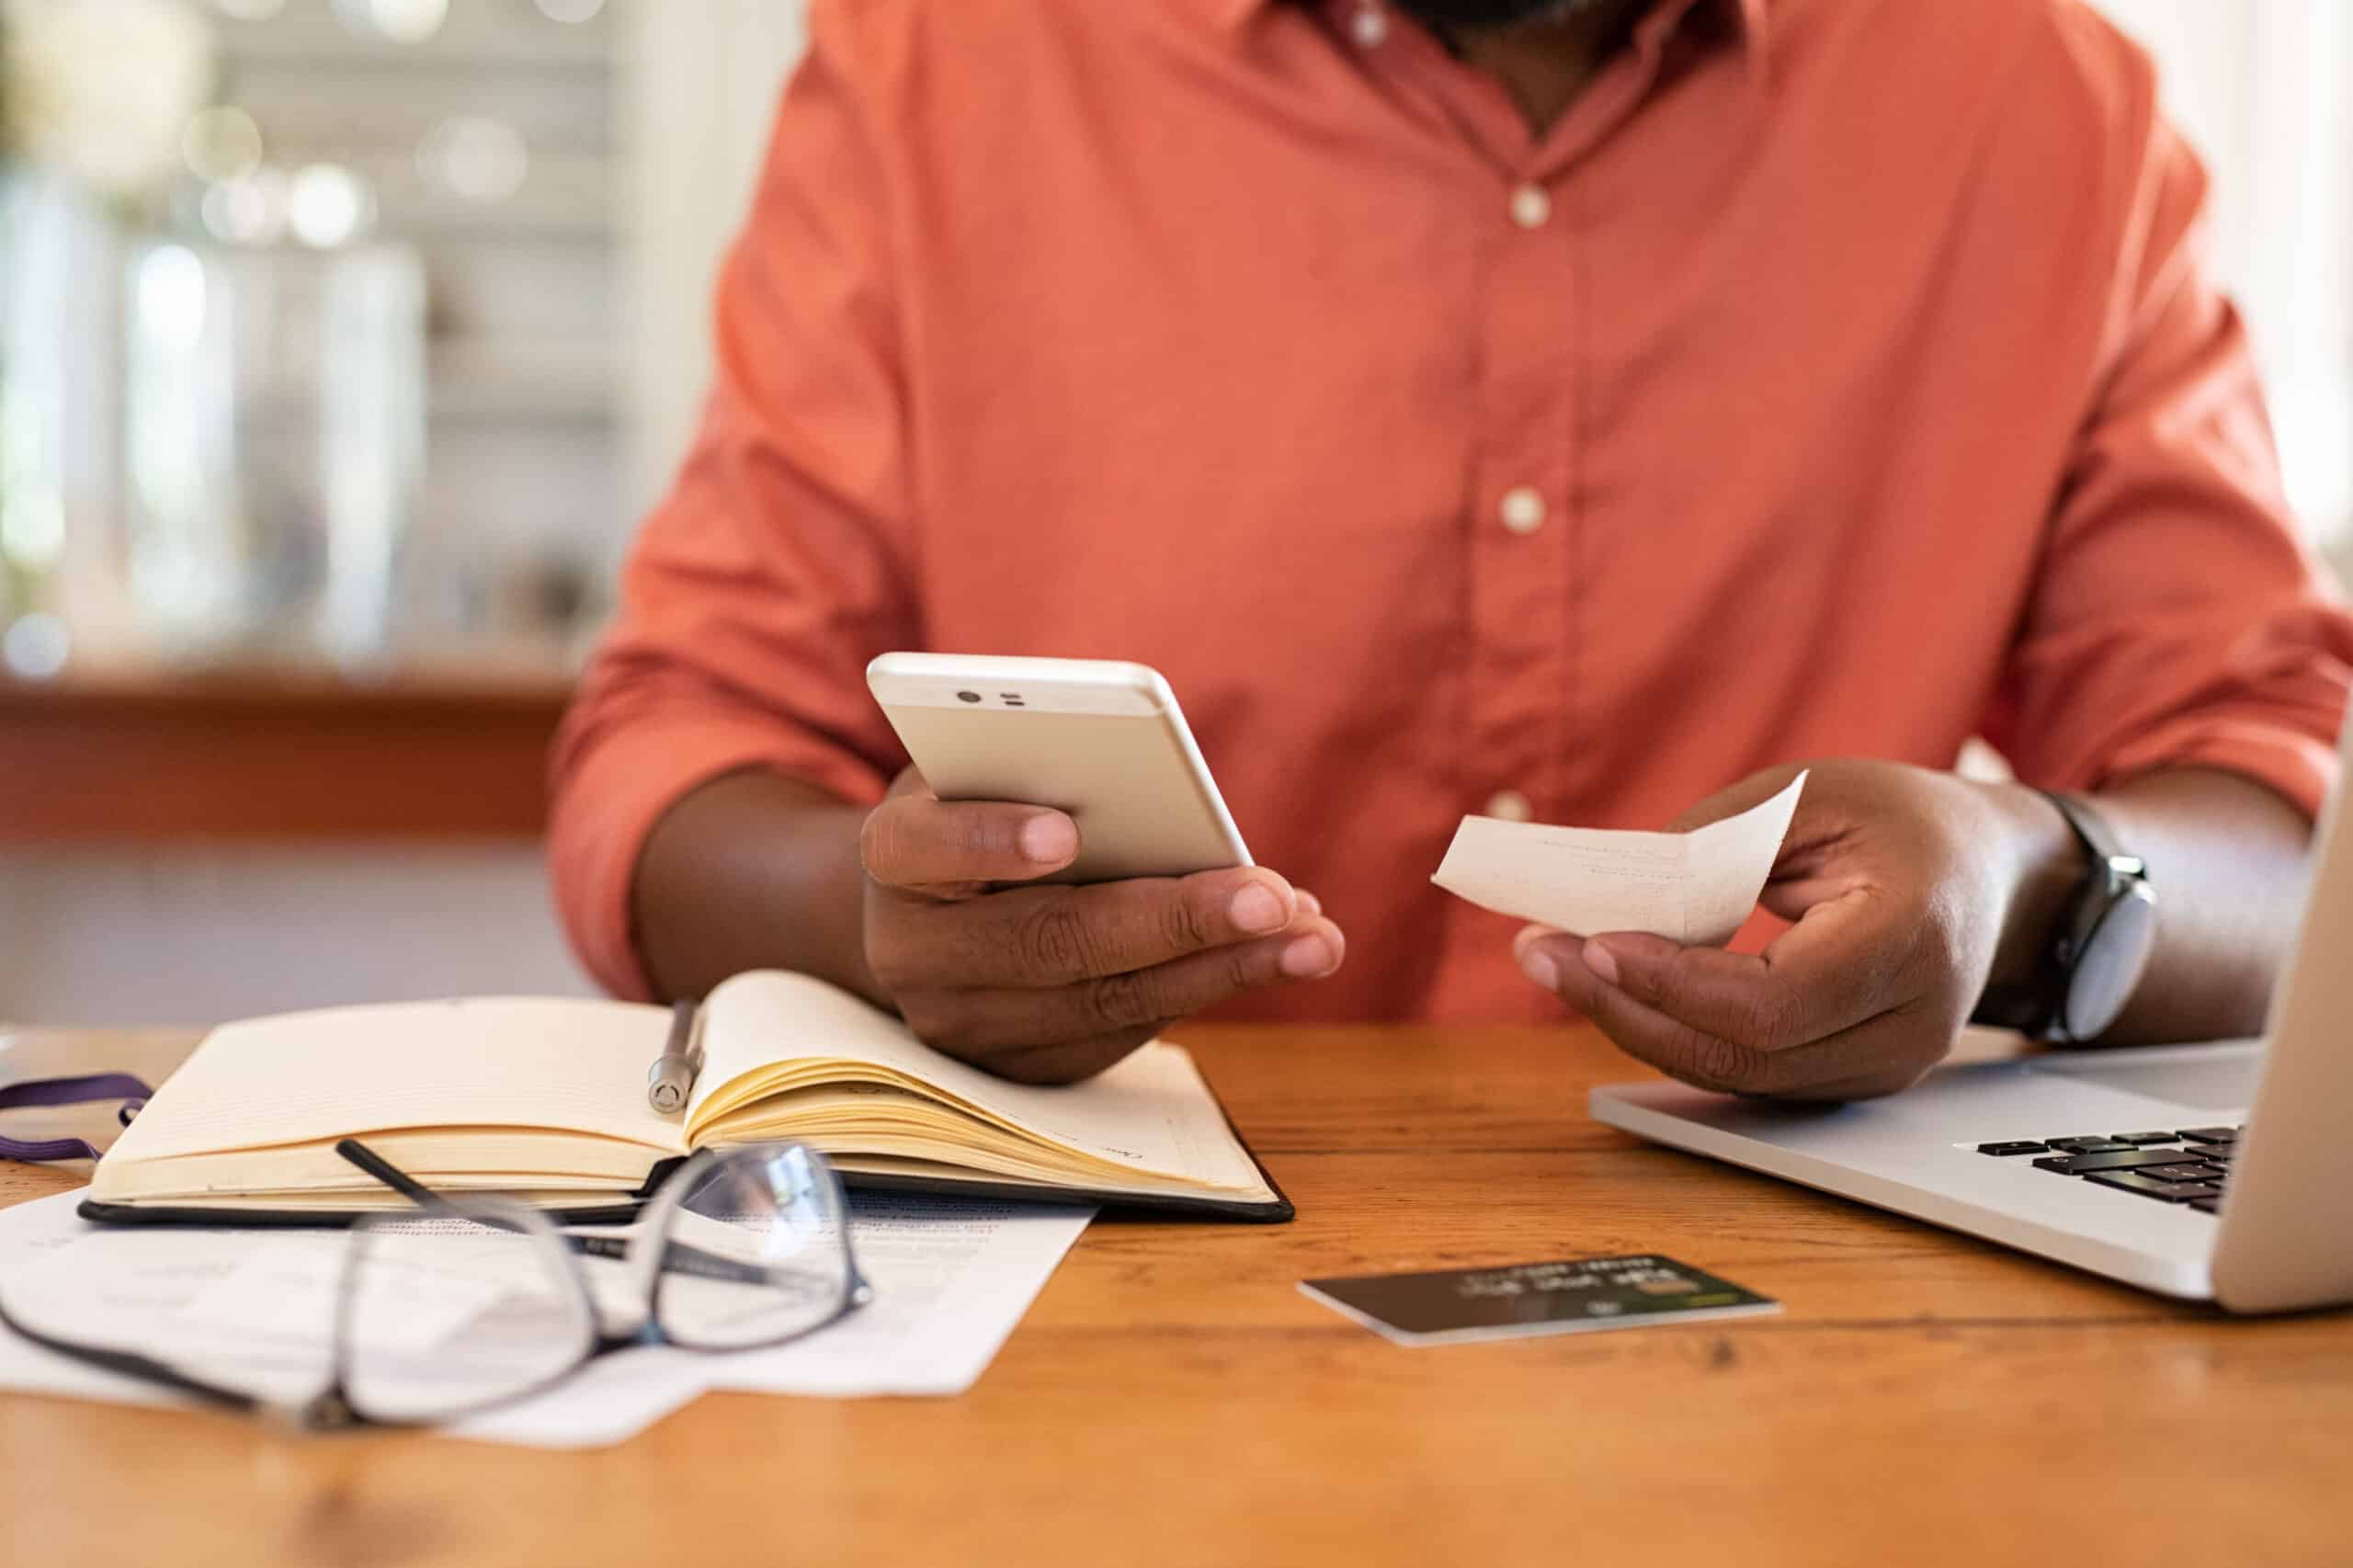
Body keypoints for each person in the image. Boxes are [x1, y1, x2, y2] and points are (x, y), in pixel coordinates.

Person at [551, 0, 2353, 1097]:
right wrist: (880, 924)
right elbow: (668, 756)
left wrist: (2022, 890)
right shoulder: (941, 62)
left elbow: (2285, 831)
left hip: (1811, 1305)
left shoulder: (2051, 109)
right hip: (1094, 1296)